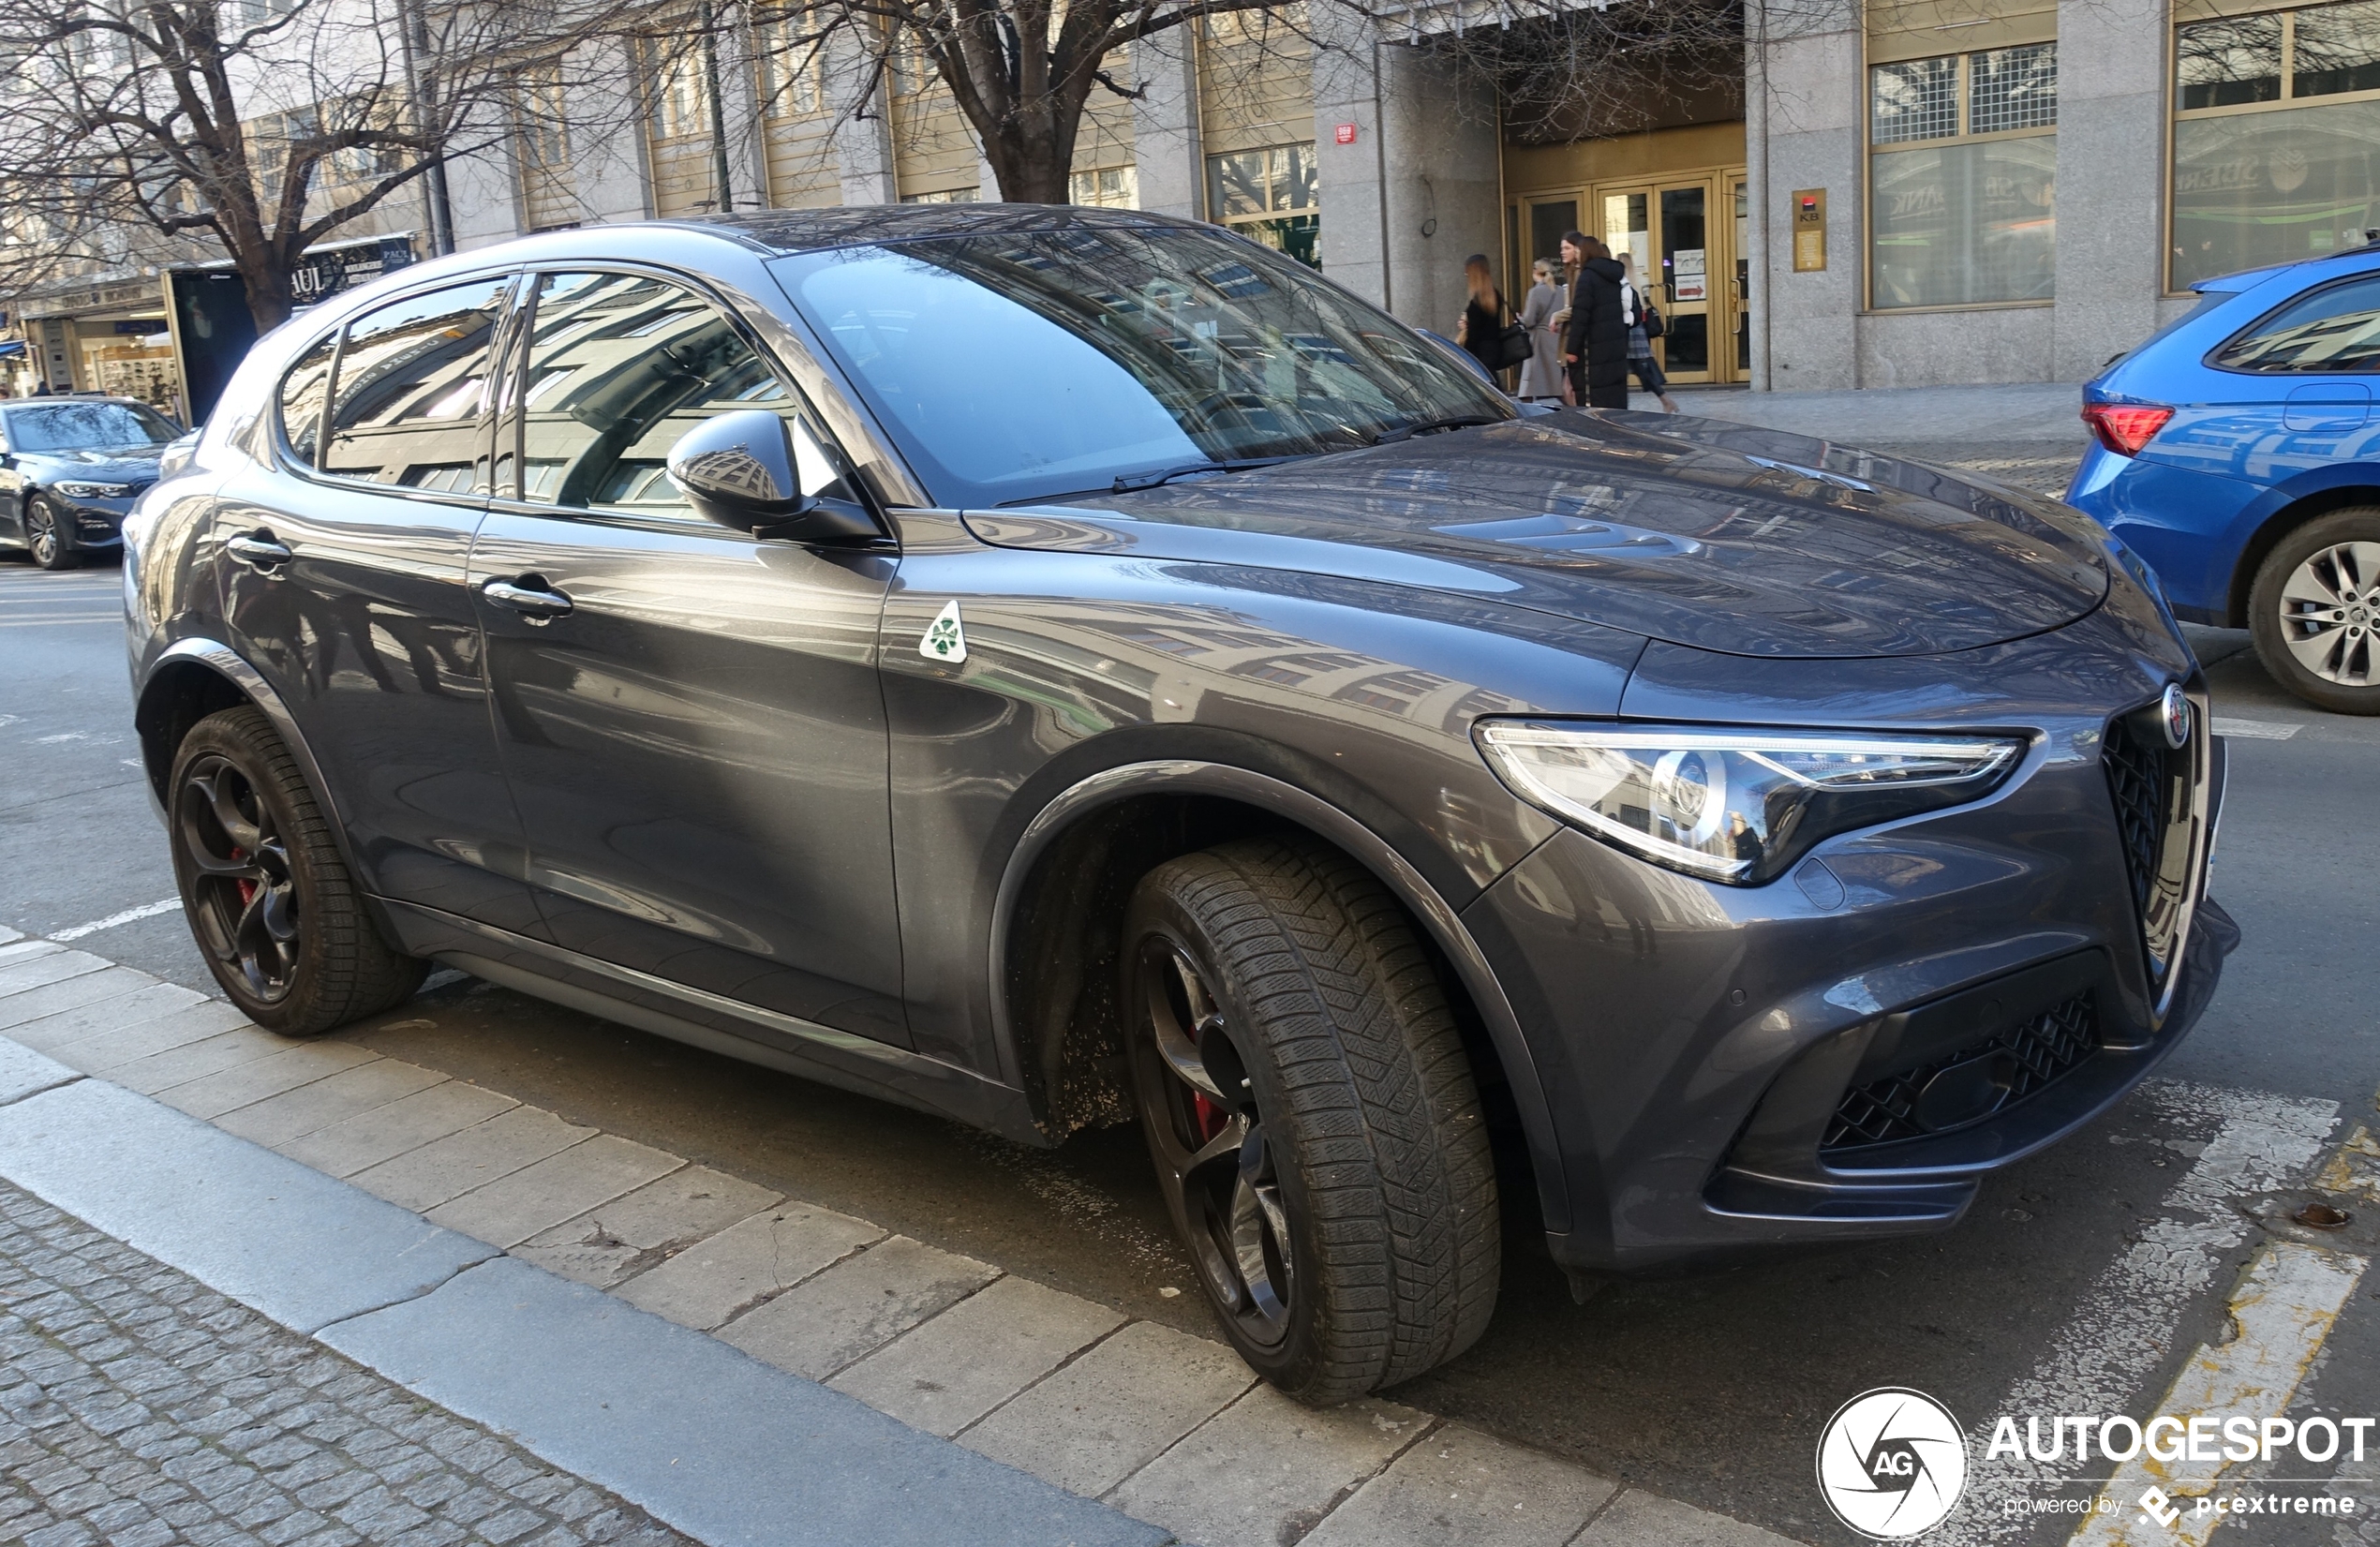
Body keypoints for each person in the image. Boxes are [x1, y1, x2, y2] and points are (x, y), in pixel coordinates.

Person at [1562, 233, 1629, 409]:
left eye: (1577, 251)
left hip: (1594, 346)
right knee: (1613, 393)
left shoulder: (1587, 277)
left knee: (1594, 393)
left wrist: (1571, 349)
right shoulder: (1612, 276)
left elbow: (1580, 316)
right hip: (1614, 344)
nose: (1575, 256)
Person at [1616, 253, 1680, 413]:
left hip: (1629, 331)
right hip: (1638, 331)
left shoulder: (1623, 286)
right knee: (1639, 368)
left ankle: (1665, 400)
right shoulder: (1635, 284)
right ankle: (1665, 400)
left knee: (1636, 369)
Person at [1451, 254, 1509, 383]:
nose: (1466, 276)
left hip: (1479, 351)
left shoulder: (1476, 302)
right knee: (1492, 382)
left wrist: (1465, 350)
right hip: (1493, 348)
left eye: (1468, 273)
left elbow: (1475, 332)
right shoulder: (1494, 295)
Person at [1516, 259, 1566, 404]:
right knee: (1556, 381)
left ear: (1536, 272)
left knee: (1530, 383)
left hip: (1538, 341)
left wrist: (1520, 319)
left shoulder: (1535, 292)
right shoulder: (1562, 291)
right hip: (1557, 337)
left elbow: (1529, 320)